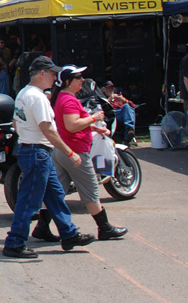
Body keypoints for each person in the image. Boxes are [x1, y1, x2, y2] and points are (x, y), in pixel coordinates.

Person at [1, 56, 96, 258]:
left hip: (33, 150)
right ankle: (14, 242)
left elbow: (17, 124)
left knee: (55, 196)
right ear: (42, 73)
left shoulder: (23, 94)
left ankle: (68, 234)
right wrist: (70, 152)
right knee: (29, 201)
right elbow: (48, 129)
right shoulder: (37, 97)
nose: (55, 78)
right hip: (38, 152)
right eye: (52, 74)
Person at [31, 66, 128, 242]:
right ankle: (104, 228)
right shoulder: (68, 99)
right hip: (75, 152)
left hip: (62, 150)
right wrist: (94, 118)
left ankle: (42, 227)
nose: (82, 80)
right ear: (68, 82)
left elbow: (68, 125)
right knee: (91, 191)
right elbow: (71, 125)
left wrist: (91, 127)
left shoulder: (61, 97)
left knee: (56, 191)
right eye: (78, 77)